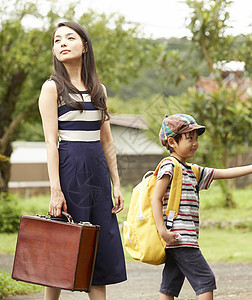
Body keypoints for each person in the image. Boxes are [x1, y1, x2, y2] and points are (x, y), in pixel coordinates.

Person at [38, 21, 127, 300]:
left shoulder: (98, 89)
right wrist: (56, 188)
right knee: (61, 243)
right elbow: (51, 141)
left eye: (69, 38)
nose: (62, 43)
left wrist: (116, 183)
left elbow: (107, 141)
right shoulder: (52, 88)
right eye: (57, 40)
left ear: (85, 46)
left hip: (98, 170)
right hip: (70, 167)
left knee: (96, 244)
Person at [151, 114, 252, 300]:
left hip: (178, 239)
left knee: (169, 286)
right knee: (205, 280)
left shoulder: (193, 170)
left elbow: (224, 172)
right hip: (181, 238)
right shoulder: (169, 166)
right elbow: (156, 198)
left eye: (196, 138)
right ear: (172, 142)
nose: (195, 142)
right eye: (189, 138)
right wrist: (162, 230)